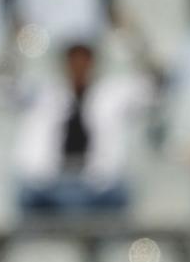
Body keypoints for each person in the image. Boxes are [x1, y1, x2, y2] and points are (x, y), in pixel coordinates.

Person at [15, 43, 153, 214]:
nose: (79, 66)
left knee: (123, 192)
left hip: (99, 187)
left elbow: (151, 89)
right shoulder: (43, 92)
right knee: (25, 193)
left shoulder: (113, 93)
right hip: (49, 185)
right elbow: (5, 87)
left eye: (84, 61)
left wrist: (131, 36)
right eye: (73, 61)